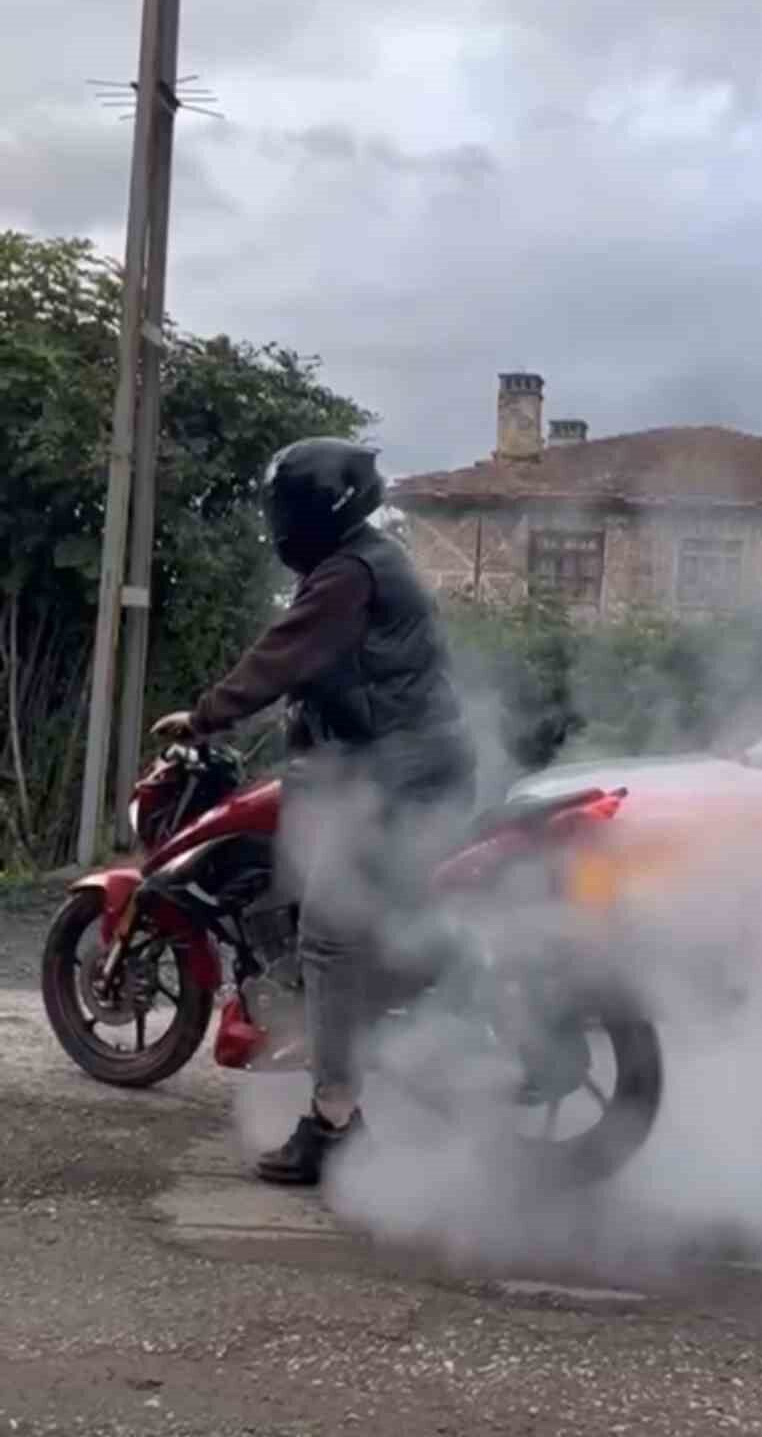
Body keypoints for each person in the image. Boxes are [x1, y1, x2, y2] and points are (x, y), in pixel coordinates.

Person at [153, 437, 476, 1186]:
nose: (279, 522)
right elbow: (343, 676)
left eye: (286, 509)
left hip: (404, 775)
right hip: (404, 766)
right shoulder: (369, 560)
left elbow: (282, 653)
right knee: (346, 909)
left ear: (316, 511)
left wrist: (203, 717)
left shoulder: (348, 575)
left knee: (330, 934)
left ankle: (335, 1121)